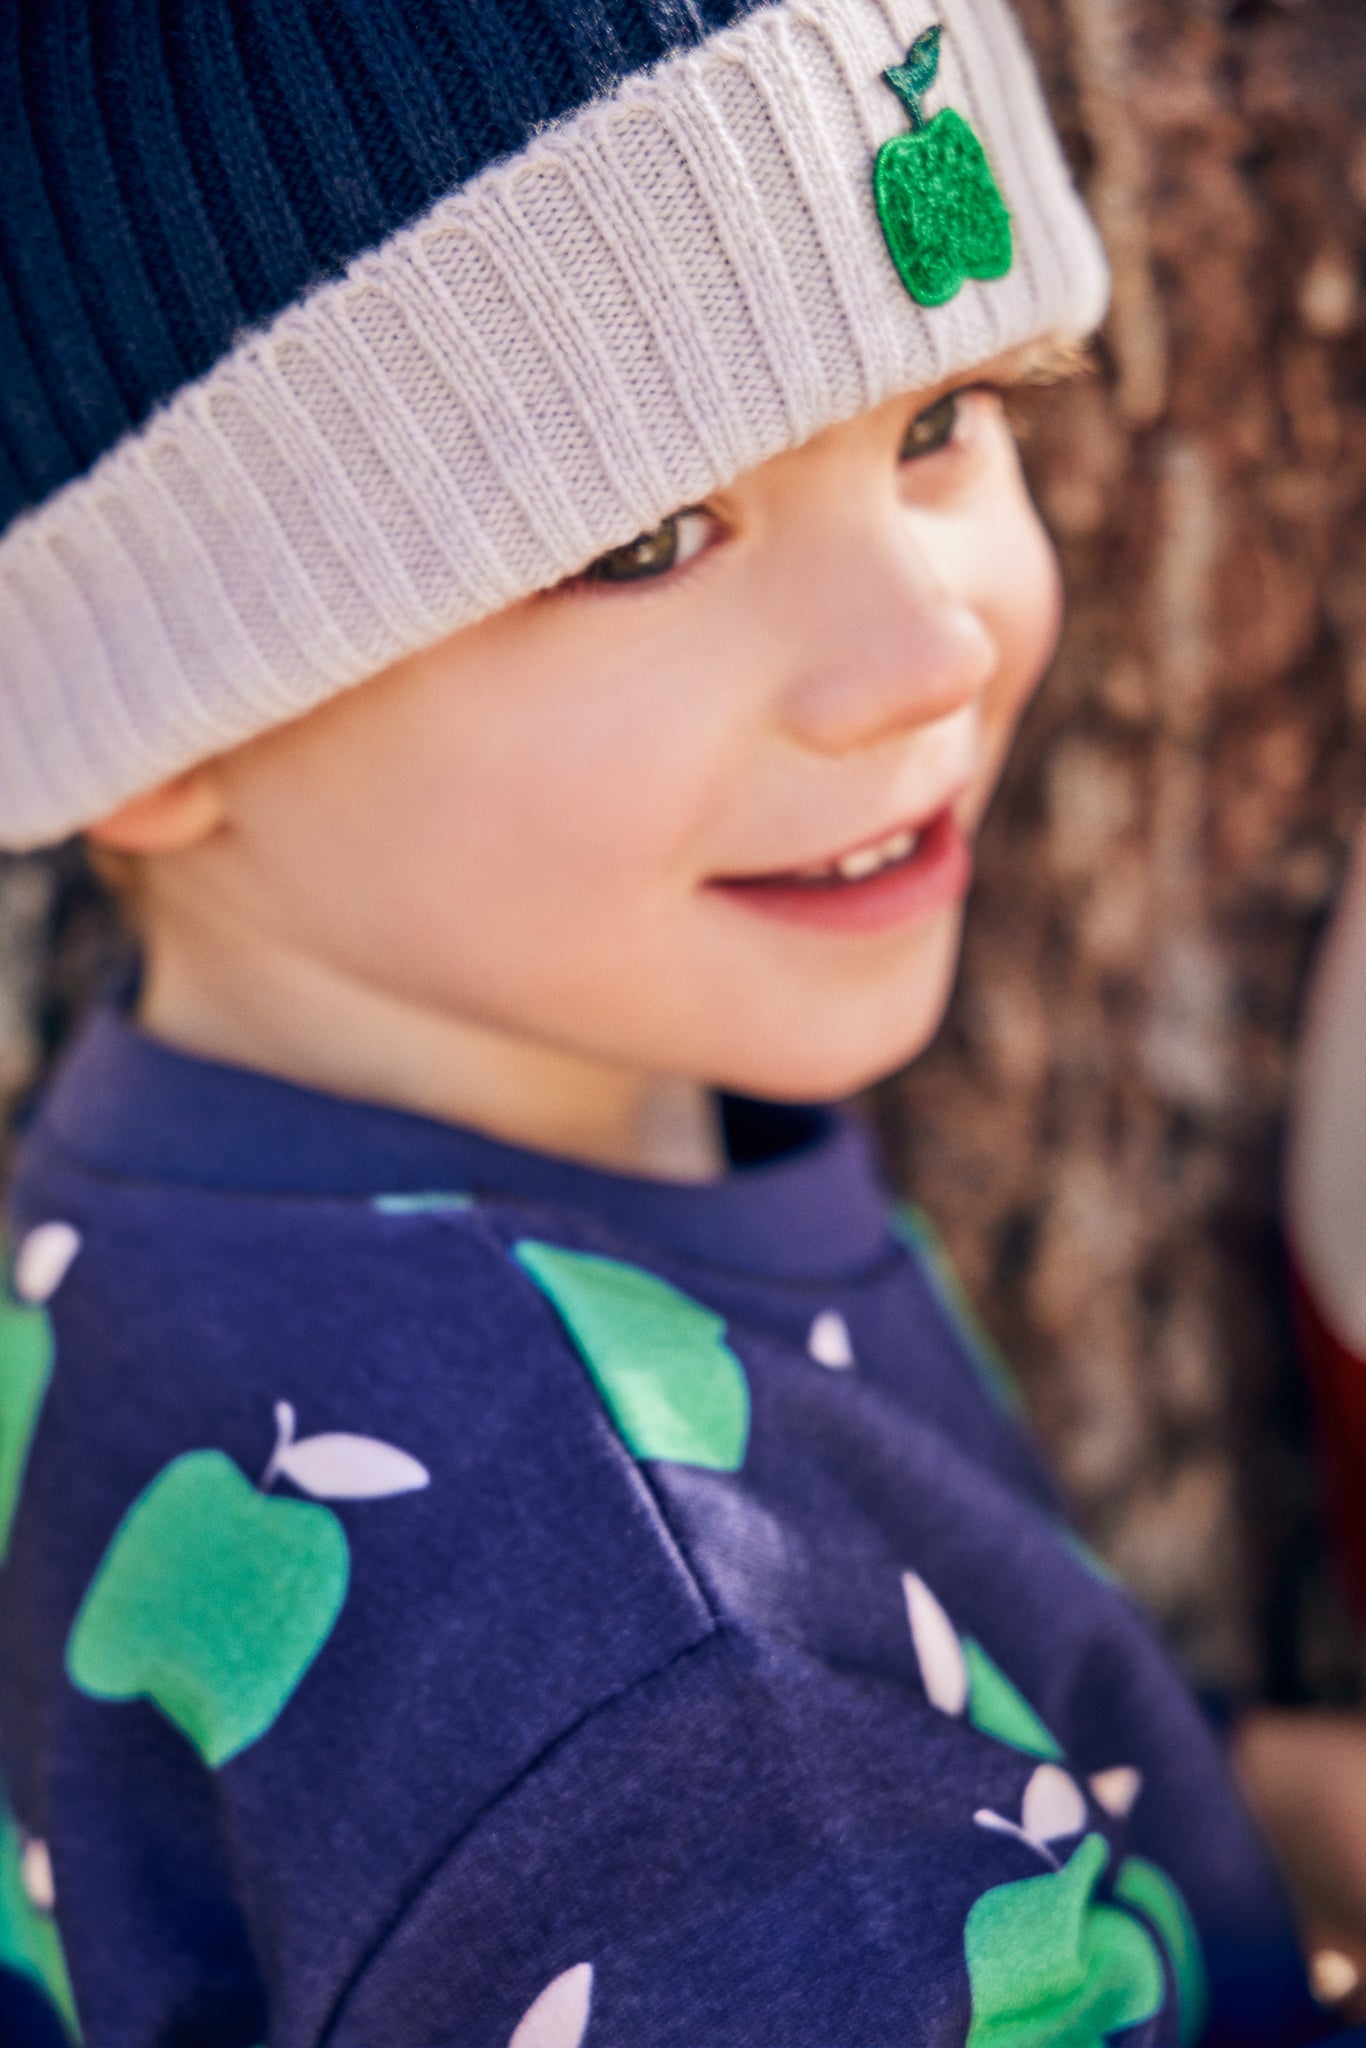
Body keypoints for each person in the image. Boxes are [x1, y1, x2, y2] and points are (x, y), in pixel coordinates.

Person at [0, 1, 1332, 2041]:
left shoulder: (190, 1203)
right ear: (150, 716)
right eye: (642, 543)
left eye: (939, 419)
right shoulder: (657, 1656)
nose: (918, 648)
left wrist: (1237, 1807)